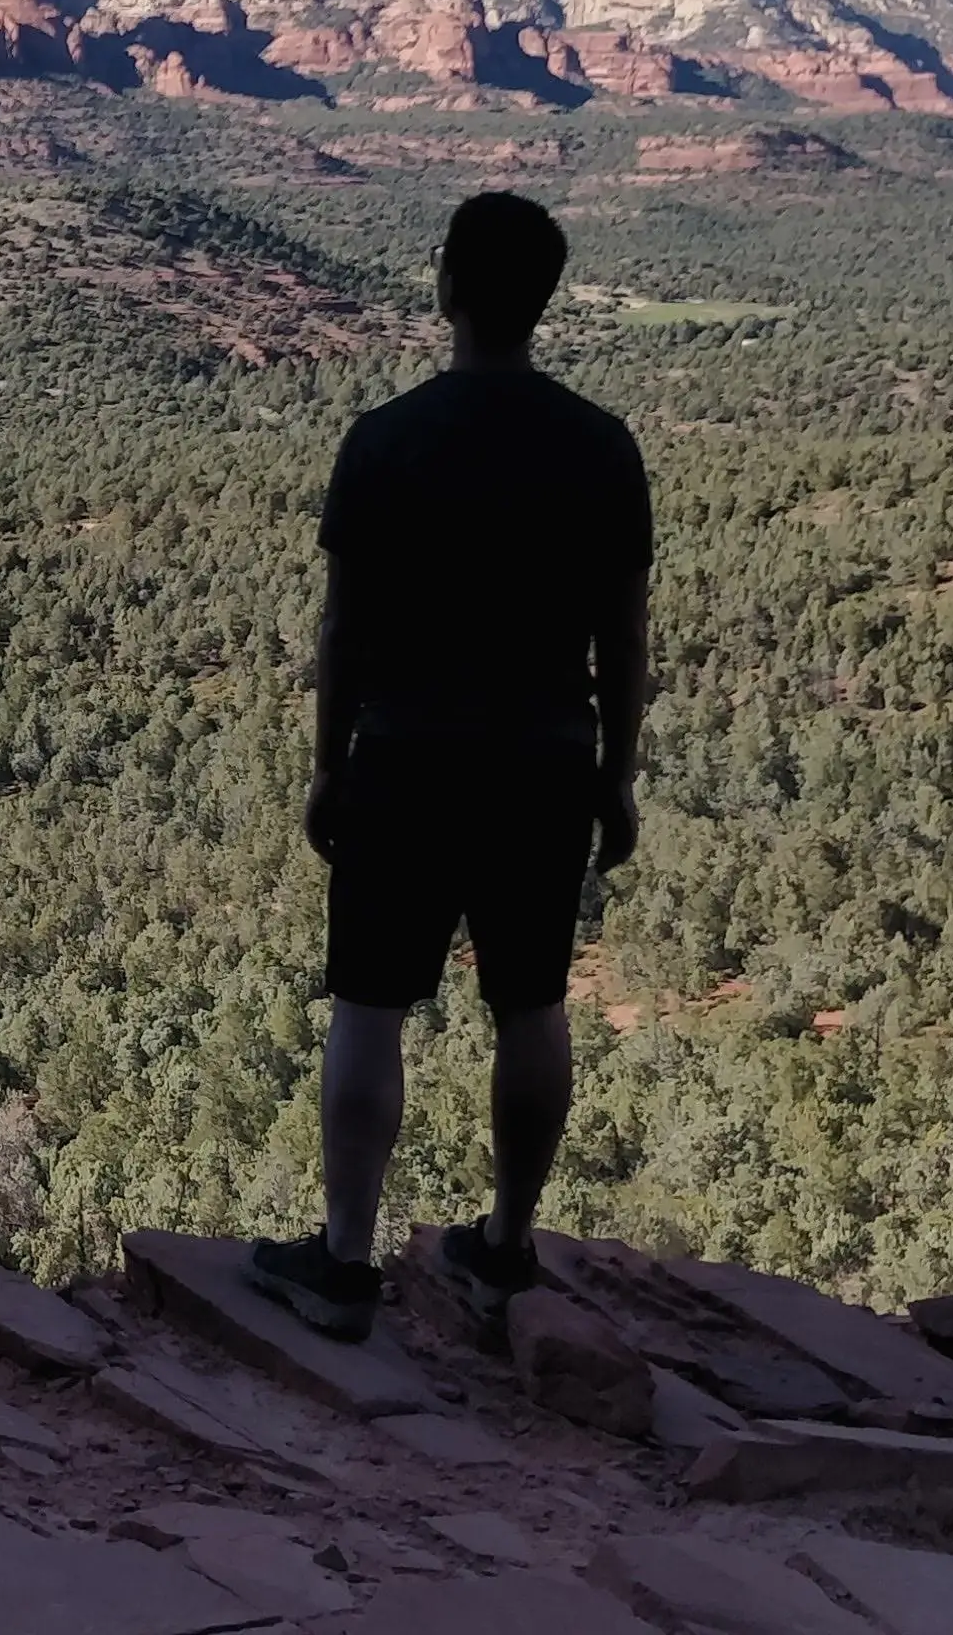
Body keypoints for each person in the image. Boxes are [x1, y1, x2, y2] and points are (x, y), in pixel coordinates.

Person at [247, 188, 651, 1340]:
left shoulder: (383, 440)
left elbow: (341, 633)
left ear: (446, 288)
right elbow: (623, 639)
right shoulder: (601, 446)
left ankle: (341, 1264)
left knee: (370, 1004)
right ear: (543, 299)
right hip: (543, 761)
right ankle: (507, 1248)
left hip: (407, 753)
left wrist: (328, 768)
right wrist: (618, 776)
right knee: (531, 1002)